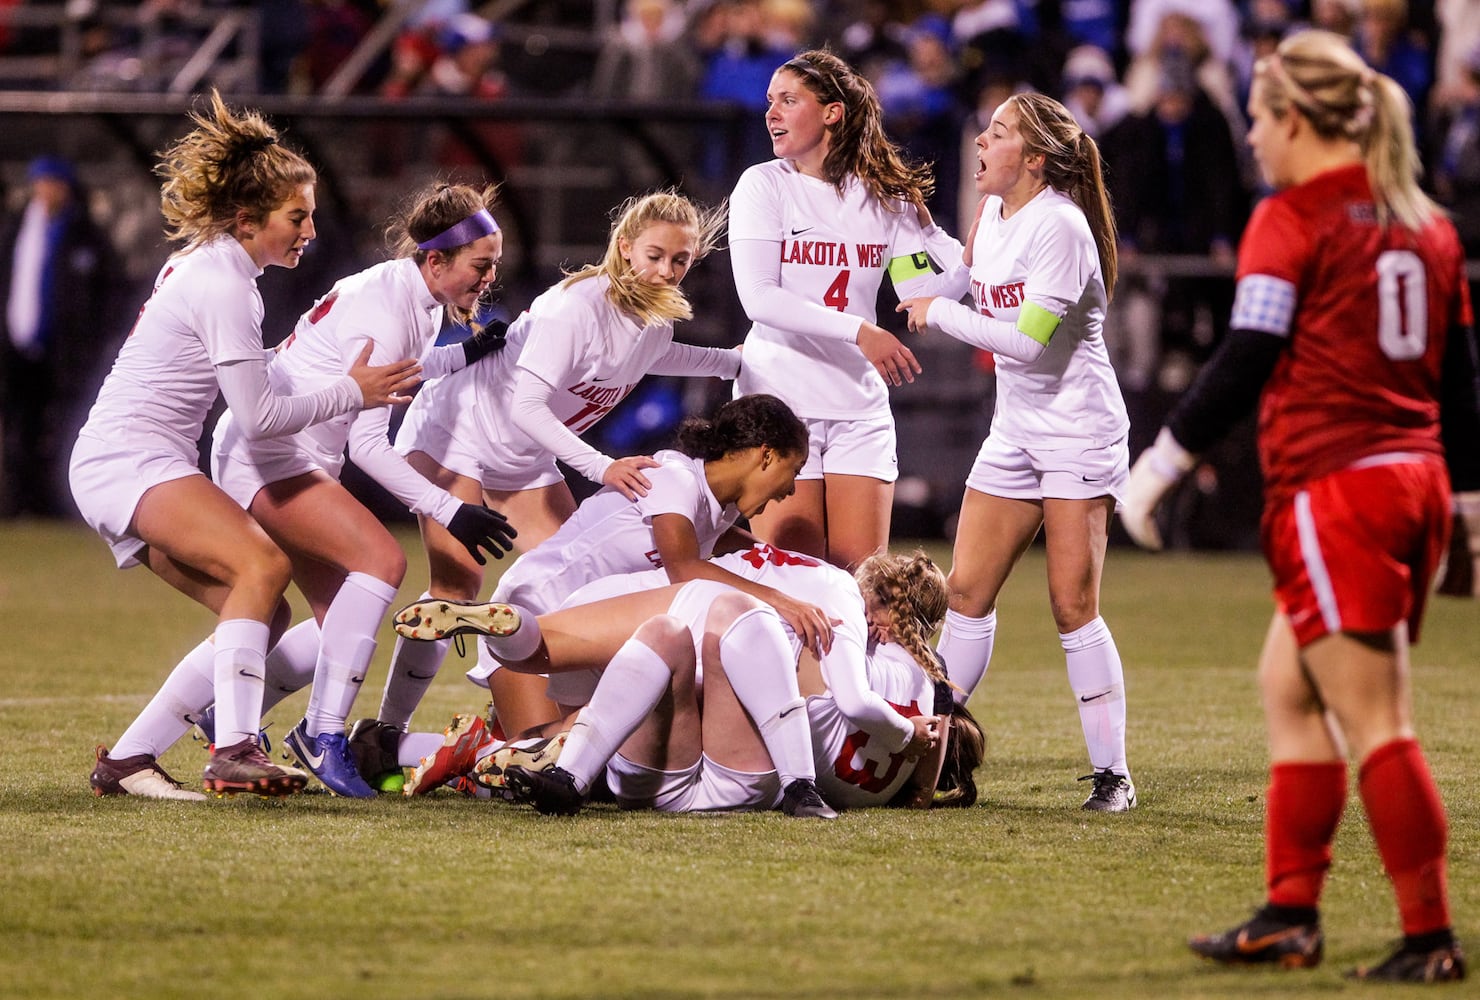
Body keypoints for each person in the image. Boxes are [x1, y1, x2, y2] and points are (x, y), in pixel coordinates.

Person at [1120, 29, 1478, 982]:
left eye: (1257, 117)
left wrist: (1163, 459)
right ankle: (1288, 912)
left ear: (1296, 119)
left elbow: (1249, 356)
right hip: (1411, 482)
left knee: (1377, 721)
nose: (1249, 137)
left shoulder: (1295, 216)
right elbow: (1463, 382)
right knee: (1290, 688)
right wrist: (1470, 500)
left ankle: (1429, 937)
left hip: (1341, 489)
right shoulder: (1426, 223)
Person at [76, 91, 421, 800]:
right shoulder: (225, 282)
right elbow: (260, 418)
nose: (309, 230)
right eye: (297, 216)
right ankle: (233, 747)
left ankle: (128, 761)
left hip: (133, 459)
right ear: (247, 219)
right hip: (130, 459)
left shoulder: (216, 267)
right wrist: (354, 392)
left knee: (267, 607)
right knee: (260, 563)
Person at [352, 191, 751, 766]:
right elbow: (527, 406)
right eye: (655, 255)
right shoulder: (575, 308)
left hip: (523, 458)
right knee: (457, 585)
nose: (667, 270)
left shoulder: (653, 319)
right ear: (623, 248)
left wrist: (737, 360)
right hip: (456, 430)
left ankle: (504, 721)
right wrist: (601, 468)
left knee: (572, 592)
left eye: (680, 260)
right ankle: (385, 736)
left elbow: (657, 358)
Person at [200, 181, 516, 797]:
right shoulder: (390, 308)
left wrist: (465, 351)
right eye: (481, 265)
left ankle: (225, 716)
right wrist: (452, 510)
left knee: (336, 620)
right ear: (436, 260)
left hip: (276, 450)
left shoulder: (409, 294)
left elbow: (402, 371)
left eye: (494, 263)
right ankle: (321, 736)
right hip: (270, 453)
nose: (490, 276)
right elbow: (370, 446)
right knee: (381, 562)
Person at [387, 393, 830, 790]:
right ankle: (458, 748)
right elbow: (685, 568)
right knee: (561, 756)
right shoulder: (675, 477)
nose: (790, 489)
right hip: (538, 612)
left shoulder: (713, 510)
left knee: (572, 751)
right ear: (766, 455)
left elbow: (756, 552)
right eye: (793, 472)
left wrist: (808, 574)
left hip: (585, 629)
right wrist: (783, 600)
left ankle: (406, 747)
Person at [896, 92, 1137, 813]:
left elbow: (1026, 342)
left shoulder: (1060, 225)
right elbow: (941, 289)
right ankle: (941, 751)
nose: (980, 139)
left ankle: (1112, 775)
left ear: (1033, 159)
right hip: (1017, 429)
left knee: (1071, 606)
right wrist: (898, 235)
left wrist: (942, 314)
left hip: (1078, 429)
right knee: (965, 594)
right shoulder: (995, 217)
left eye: (997, 133)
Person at [396, 548, 979, 817]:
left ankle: (513, 665)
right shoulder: (916, 697)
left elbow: (687, 560)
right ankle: (511, 754)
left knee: (633, 643)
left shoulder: (845, 600)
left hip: (694, 616)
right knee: (574, 723)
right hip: (738, 753)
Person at [727, 48, 965, 569]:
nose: (772, 112)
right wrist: (860, 330)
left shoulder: (883, 195)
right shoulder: (763, 184)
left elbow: (926, 295)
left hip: (858, 408)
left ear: (832, 111)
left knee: (861, 586)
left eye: (789, 100)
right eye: (771, 101)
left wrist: (949, 238)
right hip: (779, 405)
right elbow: (759, 298)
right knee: (797, 583)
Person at [0, 155, 121, 518]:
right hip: (19, 349)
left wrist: (91, 343)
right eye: (39, 183)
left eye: (51, 183)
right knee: (21, 426)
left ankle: (60, 502)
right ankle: (19, 501)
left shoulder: (86, 234)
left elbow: (106, 295)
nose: (44, 192)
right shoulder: (17, 229)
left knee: (67, 427)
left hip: (68, 354)